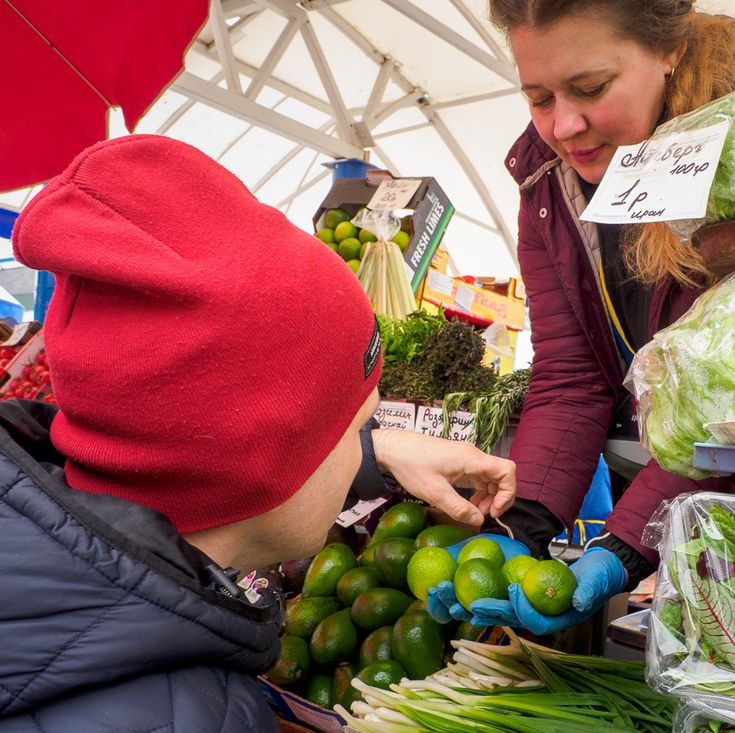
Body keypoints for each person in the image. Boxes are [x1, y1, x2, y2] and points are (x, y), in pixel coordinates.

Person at [0, 135, 515, 733]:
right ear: (259, 466)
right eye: (356, 430)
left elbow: (252, 446)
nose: (359, 456)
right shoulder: (203, 716)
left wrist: (377, 450)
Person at [428, 0, 735, 634]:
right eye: (537, 97)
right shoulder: (546, 184)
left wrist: (623, 546)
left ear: (668, 50)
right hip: (691, 492)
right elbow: (572, 371)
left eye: (590, 88)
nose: (562, 126)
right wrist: (525, 520)